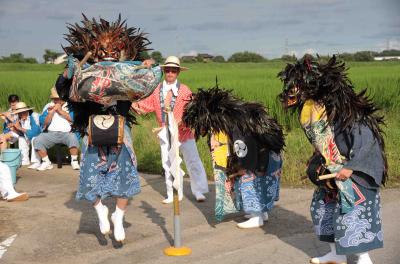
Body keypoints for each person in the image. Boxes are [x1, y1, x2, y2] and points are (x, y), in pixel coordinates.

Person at [55, 14, 161, 243]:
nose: (108, 53)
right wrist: (69, 72)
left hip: (121, 130)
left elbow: (147, 84)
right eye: (103, 50)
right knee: (90, 175)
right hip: (92, 130)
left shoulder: (127, 73)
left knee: (126, 176)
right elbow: (63, 90)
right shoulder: (86, 75)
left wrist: (146, 67)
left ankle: (119, 216)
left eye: (113, 48)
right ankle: (100, 210)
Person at [278, 55, 386, 264]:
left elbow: (368, 143)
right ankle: (336, 254)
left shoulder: (350, 114)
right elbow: (324, 142)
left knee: (353, 216)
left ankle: (364, 260)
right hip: (331, 173)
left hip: (352, 175)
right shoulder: (319, 111)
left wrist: (351, 168)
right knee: (323, 210)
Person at [183, 88, 284, 228]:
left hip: (260, 157)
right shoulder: (232, 118)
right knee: (259, 183)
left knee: (248, 181)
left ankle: (257, 217)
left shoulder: (234, 124)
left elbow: (243, 145)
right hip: (266, 156)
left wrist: (241, 167)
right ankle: (262, 213)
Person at [132, 56, 209, 204]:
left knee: (193, 160)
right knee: (167, 162)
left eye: (173, 71)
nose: (170, 73)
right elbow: (145, 105)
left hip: (184, 132)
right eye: (167, 70)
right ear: (164, 71)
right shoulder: (157, 90)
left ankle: (198, 190)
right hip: (165, 132)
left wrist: (182, 121)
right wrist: (131, 102)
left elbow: (191, 110)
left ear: (178, 73)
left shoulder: (185, 90)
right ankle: (173, 192)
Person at [31, 87, 80, 171]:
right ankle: (46, 162)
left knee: (73, 137)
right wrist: (51, 113)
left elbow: (73, 119)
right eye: (54, 99)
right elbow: (44, 123)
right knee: (38, 140)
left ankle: (74, 160)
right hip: (51, 133)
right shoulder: (49, 107)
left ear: (62, 99)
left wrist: (60, 111)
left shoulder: (70, 107)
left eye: (57, 99)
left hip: (67, 133)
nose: (55, 101)